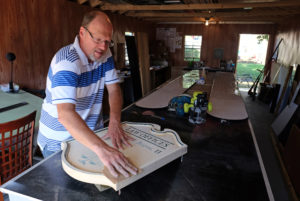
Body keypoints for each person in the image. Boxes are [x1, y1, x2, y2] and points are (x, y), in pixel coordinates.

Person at [37, 11, 137, 178]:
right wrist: (103, 149)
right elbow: (66, 114)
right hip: (59, 142)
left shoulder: (105, 54)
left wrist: (114, 121)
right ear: (82, 33)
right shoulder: (67, 62)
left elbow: (114, 89)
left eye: (107, 41)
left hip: (90, 135)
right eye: (97, 39)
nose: (103, 47)